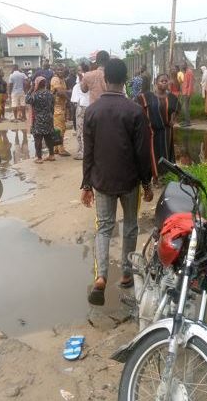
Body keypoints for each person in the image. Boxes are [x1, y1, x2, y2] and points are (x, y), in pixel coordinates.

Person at [81, 59, 153, 306]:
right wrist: (147, 183)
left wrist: (86, 184)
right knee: (130, 225)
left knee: (104, 227)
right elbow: (143, 151)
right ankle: (125, 273)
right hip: (129, 180)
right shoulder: (134, 110)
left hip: (101, 181)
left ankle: (101, 277)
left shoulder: (92, 111)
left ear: (105, 79)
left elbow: (88, 152)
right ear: (125, 80)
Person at [137, 73, 180, 185]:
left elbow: (176, 108)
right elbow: (138, 107)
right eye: (162, 81)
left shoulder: (171, 97)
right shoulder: (148, 96)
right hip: (152, 132)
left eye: (166, 81)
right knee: (153, 154)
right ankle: (155, 177)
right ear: (156, 83)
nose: (164, 83)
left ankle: (165, 177)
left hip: (166, 132)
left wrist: (173, 119)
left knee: (165, 154)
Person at [25, 76, 55, 163]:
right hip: (48, 118)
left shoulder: (35, 95)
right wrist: (50, 115)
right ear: (45, 84)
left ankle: (39, 158)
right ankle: (51, 155)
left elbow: (27, 100)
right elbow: (52, 106)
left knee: (38, 138)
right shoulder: (50, 94)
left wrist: (30, 89)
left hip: (38, 119)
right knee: (48, 137)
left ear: (36, 84)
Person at [50, 64, 71, 156]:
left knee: (58, 128)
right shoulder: (55, 79)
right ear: (55, 70)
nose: (60, 71)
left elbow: (64, 91)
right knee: (60, 129)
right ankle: (61, 149)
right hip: (57, 107)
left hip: (62, 107)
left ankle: (56, 148)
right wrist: (70, 99)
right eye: (58, 70)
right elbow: (59, 92)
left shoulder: (62, 79)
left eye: (62, 70)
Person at [71, 63, 90, 160]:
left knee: (80, 131)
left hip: (81, 107)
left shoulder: (77, 86)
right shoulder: (91, 83)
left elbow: (74, 102)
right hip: (90, 107)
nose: (78, 73)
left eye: (79, 70)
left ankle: (81, 152)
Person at [180, 62, 195, 127]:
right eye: (182, 65)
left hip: (187, 93)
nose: (182, 67)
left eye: (183, 65)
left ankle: (188, 122)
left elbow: (190, 83)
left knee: (185, 108)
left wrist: (188, 93)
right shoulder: (185, 72)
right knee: (185, 108)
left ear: (186, 65)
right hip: (184, 92)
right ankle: (186, 121)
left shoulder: (189, 72)